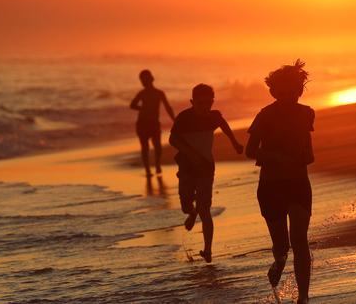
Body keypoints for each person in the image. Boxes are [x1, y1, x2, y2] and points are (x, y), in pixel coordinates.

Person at [246, 60, 314, 304]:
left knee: (300, 241)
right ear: (273, 92)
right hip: (271, 186)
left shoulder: (307, 113)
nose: (288, 97)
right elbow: (250, 150)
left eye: (293, 92)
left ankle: (303, 297)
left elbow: (307, 143)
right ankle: (278, 262)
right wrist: (275, 156)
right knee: (282, 247)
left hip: (298, 184)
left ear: (299, 91)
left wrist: (308, 154)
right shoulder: (265, 115)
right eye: (282, 93)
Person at [169, 84, 243, 263]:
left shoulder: (213, 116)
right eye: (200, 103)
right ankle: (191, 212)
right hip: (187, 167)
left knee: (205, 209)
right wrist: (190, 153)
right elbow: (172, 139)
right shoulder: (184, 118)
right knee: (186, 205)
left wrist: (234, 142)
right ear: (192, 102)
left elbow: (223, 124)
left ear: (212, 102)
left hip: (206, 168)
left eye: (208, 103)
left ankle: (208, 250)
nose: (204, 107)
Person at [130, 69, 175, 177]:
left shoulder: (159, 93)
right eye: (142, 80)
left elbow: (168, 107)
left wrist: (174, 120)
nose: (144, 82)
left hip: (154, 123)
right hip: (142, 123)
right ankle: (147, 170)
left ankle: (157, 165)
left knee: (158, 146)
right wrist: (142, 108)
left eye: (145, 79)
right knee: (144, 147)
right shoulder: (142, 93)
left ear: (151, 79)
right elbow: (132, 105)